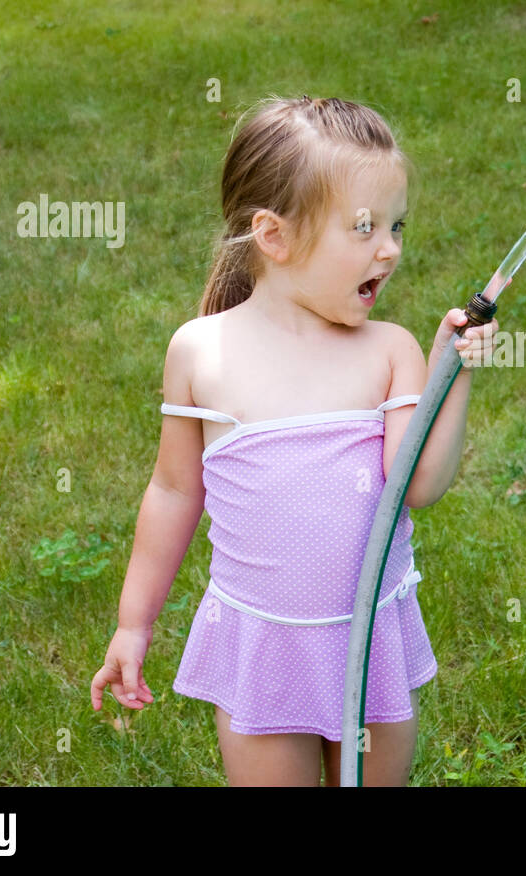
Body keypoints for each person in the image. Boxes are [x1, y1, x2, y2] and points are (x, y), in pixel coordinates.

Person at [89, 95, 499, 786]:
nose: (391, 248)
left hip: (369, 641)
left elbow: (418, 484)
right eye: (365, 227)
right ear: (274, 237)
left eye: (397, 225)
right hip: (264, 648)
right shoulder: (201, 353)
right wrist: (134, 624)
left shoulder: (390, 351)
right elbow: (173, 489)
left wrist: (449, 371)